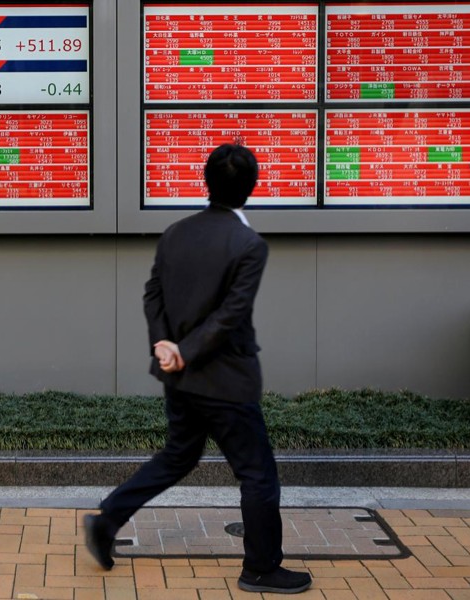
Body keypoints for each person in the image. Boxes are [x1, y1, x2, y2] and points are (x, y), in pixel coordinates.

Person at [83, 143, 312, 594]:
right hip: (226, 382)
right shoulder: (249, 245)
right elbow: (230, 315)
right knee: (257, 475)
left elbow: (153, 295)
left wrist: (165, 346)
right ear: (252, 188)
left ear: (206, 182)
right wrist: (182, 350)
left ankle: (107, 521)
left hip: (181, 378)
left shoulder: (175, 232)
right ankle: (262, 568)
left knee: (178, 456)